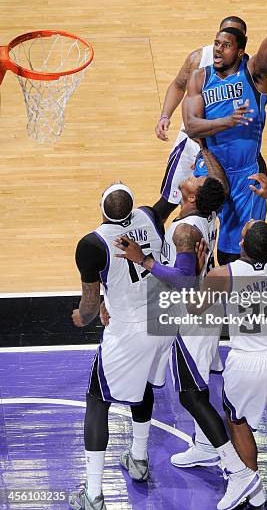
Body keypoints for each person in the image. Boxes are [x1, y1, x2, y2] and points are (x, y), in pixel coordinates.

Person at [114, 148, 265, 510]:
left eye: (197, 179)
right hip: (206, 309)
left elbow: (182, 283)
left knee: (190, 395)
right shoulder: (205, 212)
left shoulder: (184, 229)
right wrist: (207, 147)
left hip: (192, 316)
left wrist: (145, 260)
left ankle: (239, 473)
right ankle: (203, 446)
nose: (193, 175)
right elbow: (221, 187)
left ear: (193, 196)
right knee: (196, 387)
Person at [197, 172, 267, 509]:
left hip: (248, 361)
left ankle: (255, 490)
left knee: (239, 422)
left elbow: (195, 306)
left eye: (245, 232)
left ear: (244, 247)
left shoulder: (225, 275)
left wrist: (203, 263)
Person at [183, 0, 267, 265]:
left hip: (247, 171)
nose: (218, 49)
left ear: (240, 51)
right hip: (212, 167)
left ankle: (232, 291)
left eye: (226, 45)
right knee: (189, 236)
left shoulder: (253, 74)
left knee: (235, 252)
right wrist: (226, 121)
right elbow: (192, 127)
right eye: (216, 43)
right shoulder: (199, 77)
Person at [69, 183, 172, 510]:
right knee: (144, 384)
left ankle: (94, 494)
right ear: (131, 208)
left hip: (128, 329)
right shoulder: (150, 217)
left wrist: (82, 318)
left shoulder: (91, 244)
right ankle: (139, 459)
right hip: (162, 319)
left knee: (97, 401)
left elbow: (88, 302)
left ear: (101, 210)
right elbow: (165, 203)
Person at [154, 16, 248, 222]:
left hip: (224, 150)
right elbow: (179, 85)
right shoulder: (199, 58)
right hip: (192, 144)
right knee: (169, 202)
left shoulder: (248, 69)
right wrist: (165, 116)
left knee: (216, 210)